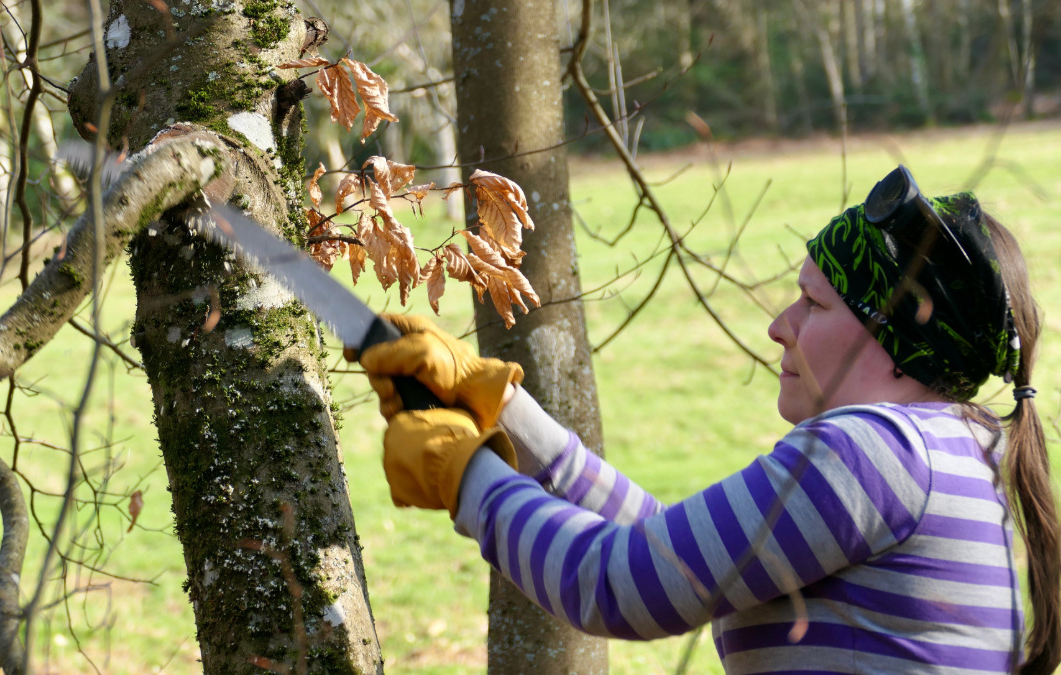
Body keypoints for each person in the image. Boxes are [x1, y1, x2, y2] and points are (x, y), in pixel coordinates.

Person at [356, 166, 1059, 674]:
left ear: (890, 335)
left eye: (812, 305)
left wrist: (468, 473)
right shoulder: (951, 446)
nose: (777, 327)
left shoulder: (873, 452)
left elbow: (616, 586)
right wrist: (506, 411)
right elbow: (676, 556)